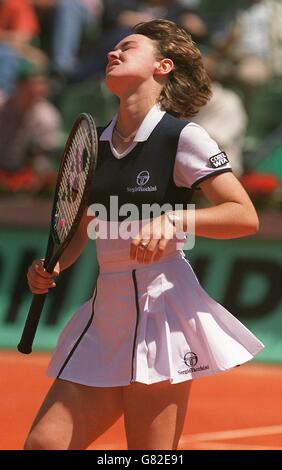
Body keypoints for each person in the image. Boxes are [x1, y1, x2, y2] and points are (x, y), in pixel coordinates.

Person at [24, 19, 264, 450]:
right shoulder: (90, 144)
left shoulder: (183, 137)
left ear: (163, 66)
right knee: (44, 445)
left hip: (164, 312)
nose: (112, 53)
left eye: (128, 47)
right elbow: (80, 229)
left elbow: (243, 215)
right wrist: (53, 265)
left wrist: (175, 219)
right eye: (112, 48)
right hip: (106, 313)